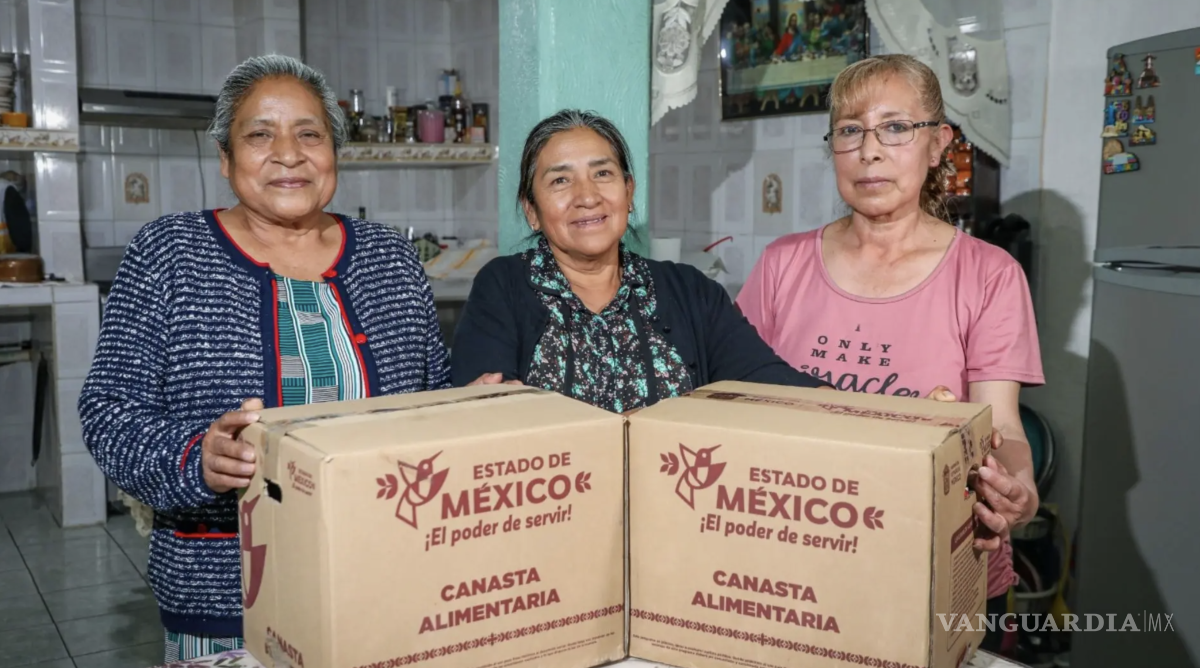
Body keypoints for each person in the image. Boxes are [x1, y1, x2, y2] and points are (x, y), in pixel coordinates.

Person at [77, 55, 451, 661]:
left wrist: (478, 406)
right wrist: (194, 457)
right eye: (259, 134)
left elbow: (433, 395)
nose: (288, 153)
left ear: (335, 152)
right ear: (225, 159)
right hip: (228, 595)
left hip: (388, 577)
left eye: (310, 133)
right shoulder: (169, 253)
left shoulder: (391, 259)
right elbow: (109, 412)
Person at [735, 54, 1043, 653]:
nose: (870, 150)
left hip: (932, 560)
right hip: (801, 556)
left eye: (896, 127)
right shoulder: (782, 265)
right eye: (850, 130)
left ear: (938, 145)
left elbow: (1001, 425)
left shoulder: (988, 274)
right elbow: (741, 404)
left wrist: (1019, 488)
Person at [450, 109, 828, 411]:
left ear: (628, 193)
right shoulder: (503, 287)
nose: (587, 196)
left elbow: (772, 385)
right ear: (531, 210)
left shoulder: (690, 291)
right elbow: (488, 409)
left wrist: (863, 415)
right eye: (560, 181)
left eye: (603, 173)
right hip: (556, 501)